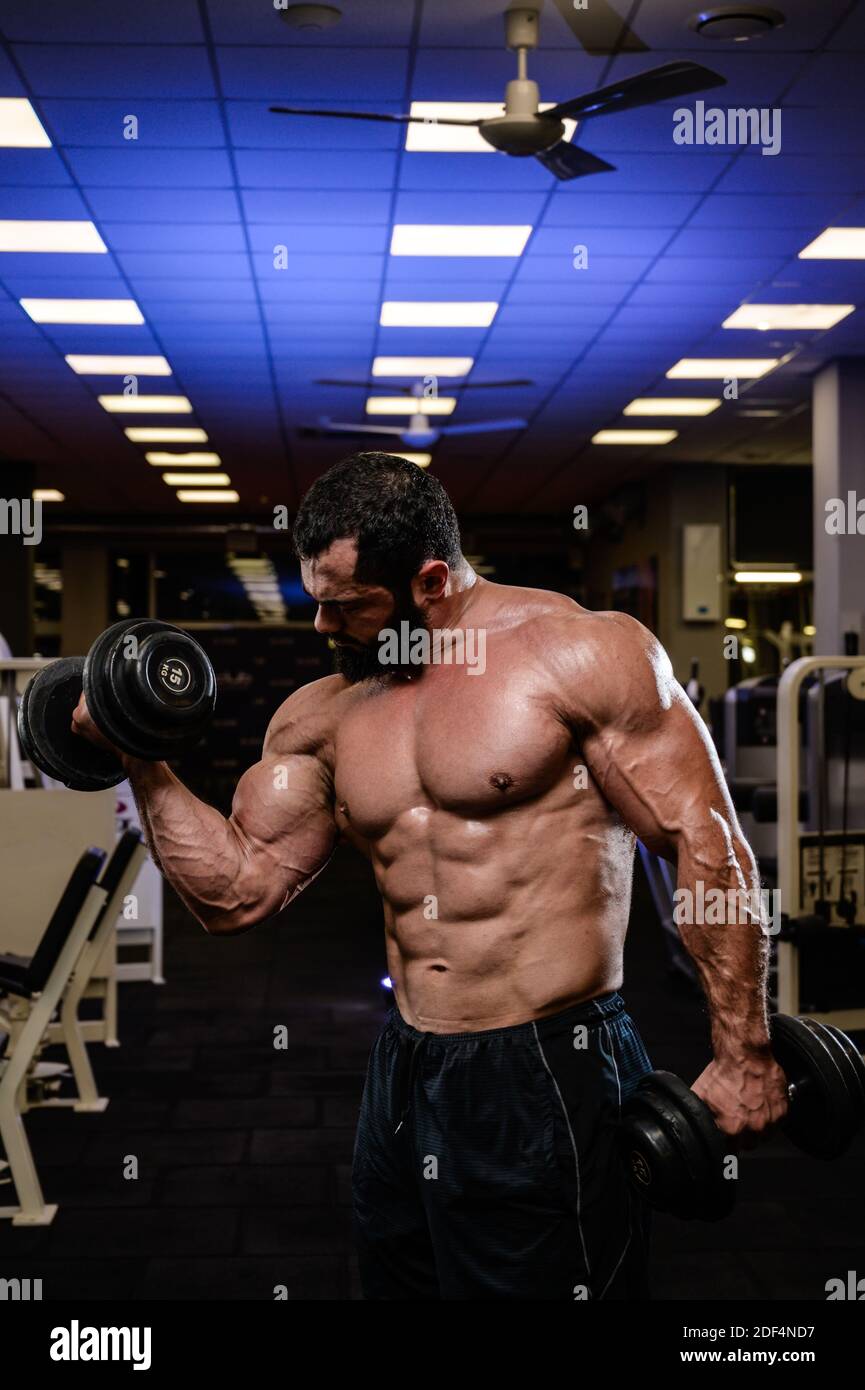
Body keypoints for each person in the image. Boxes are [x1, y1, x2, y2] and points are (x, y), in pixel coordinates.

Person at [71, 451, 788, 1300]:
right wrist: (139, 758)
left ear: (431, 580)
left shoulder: (576, 655)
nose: (321, 629)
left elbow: (707, 846)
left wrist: (744, 1051)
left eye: (346, 607)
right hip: (408, 1064)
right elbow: (236, 891)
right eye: (316, 603)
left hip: (549, 1058)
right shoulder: (324, 714)